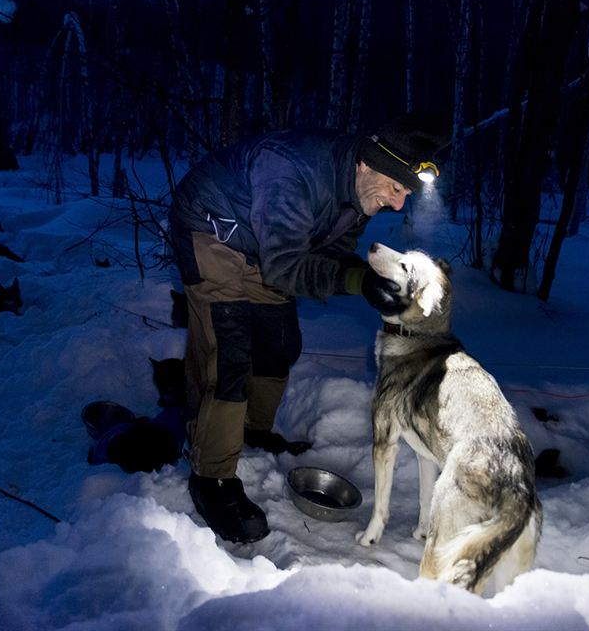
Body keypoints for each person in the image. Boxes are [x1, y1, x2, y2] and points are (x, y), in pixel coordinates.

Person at [168, 117, 444, 543]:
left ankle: (253, 431)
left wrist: (367, 279)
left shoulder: (356, 193)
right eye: (395, 188)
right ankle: (211, 477)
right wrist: (357, 281)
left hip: (265, 245)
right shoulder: (291, 171)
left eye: (406, 193)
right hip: (212, 229)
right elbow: (285, 269)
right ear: (367, 166)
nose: (397, 204)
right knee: (229, 352)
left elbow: (330, 253)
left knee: (280, 342)